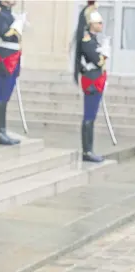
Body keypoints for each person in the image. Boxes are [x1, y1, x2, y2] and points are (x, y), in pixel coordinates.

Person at [0, 0, 28, 145]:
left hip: (12, 59)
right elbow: (3, 34)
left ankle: (2, 129)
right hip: (3, 59)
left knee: (5, 96)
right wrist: (17, 25)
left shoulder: (11, 15)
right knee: (1, 94)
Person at [73, 1, 109, 162]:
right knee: (89, 117)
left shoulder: (93, 40)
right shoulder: (88, 41)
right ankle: (87, 151)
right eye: (99, 23)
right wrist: (105, 54)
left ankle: (89, 149)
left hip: (95, 80)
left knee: (91, 117)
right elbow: (97, 61)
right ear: (92, 24)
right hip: (92, 81)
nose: (102, 25)